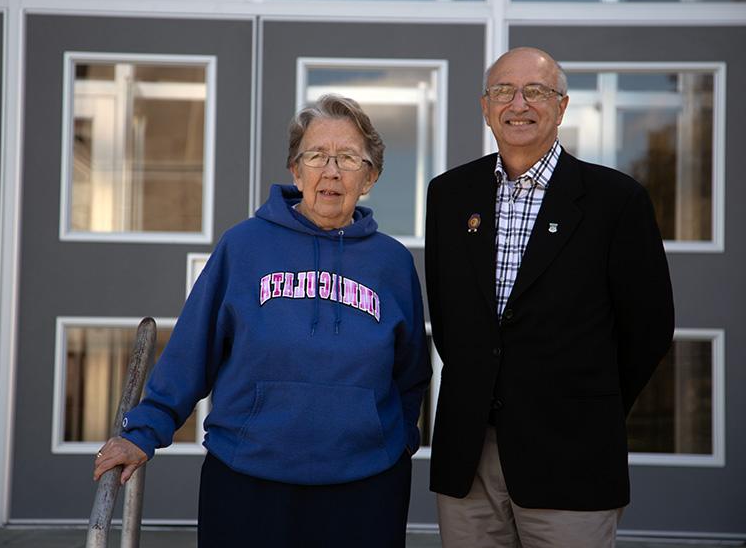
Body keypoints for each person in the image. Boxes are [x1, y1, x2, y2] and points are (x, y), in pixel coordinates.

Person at [93, 94, 431, 548]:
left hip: (366, 485)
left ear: (370, 176)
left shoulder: (392, 263)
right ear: (295, 169)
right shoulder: (244, 246)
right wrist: (145, 430)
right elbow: (194, 348)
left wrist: (396, 443)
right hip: (247, 477)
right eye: (316, 156)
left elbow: (411, 371)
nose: (331, 171)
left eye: (349, 158)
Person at [425, 47, 674, 548]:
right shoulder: (449, 195)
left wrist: (585, 404)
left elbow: (648, 330)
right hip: (468, 457)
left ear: (561, 107)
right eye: (503, 91)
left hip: (572, 455)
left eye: (535, 91)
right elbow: (451, 322)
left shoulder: (616, 201)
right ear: (484, 106)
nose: (518, 104)